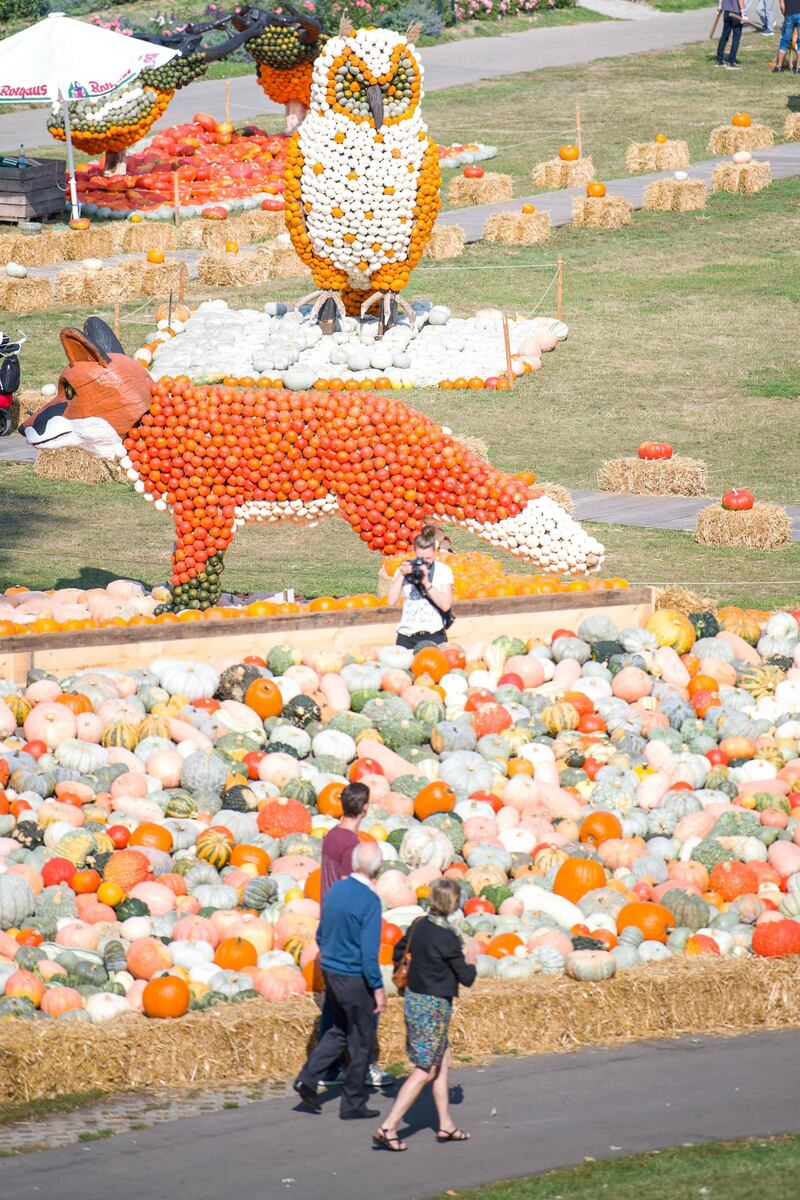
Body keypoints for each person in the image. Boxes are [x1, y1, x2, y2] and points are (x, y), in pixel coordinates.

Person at [373, 878, 477, 1152]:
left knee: (443, 1060)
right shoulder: (448, 938)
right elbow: (466, 978)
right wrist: (471, 960)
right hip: (433, 1008)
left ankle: (445, 1124)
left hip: (414, 1000)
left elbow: (398, 950)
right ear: (454, 905)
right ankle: (389, 1126)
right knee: (425, 1070)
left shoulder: (419, 925)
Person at [294, 841, 386, 1120]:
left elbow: (321, 934)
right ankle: (353, 1102)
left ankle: (307, 1079)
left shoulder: (335, 890)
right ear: (377, 869)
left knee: (338, 1030)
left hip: (331, 971)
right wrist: (378, 988)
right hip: (353, 976)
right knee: (361, 1038)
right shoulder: (370, 901)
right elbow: (370, 953)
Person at [318, 783, 392, 1089]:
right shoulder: (351, 844)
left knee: (333, 1005)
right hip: (348, 925)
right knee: (363, 1001)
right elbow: (354, 885)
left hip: (329, 918)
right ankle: (364, 1065)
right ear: (364, 809)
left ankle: (329, 1067)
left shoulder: (331, 835)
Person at [387, 523, 454, 650]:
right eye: (420, 558)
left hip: (434, 635)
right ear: (415, 553)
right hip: (406, 636)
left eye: (428, 558)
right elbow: (391, 600)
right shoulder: (405, 568)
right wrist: (401, 575)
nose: (424, 562)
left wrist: (427, 584)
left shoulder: (443, 571)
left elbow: (446, 606)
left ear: (435, 553)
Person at [716, 0, 746, 67]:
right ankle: (731, 62)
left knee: (724, 35)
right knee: (736, 37)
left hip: (727, 11)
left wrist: (719, 5)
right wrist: (744, 13)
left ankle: (719, 59)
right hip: (736, 12)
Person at [773, 0, 800, 68]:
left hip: (789, 14)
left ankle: (779, 66)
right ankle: (798, 67)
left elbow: (782, 6)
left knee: (784, 41)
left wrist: (786, 16)